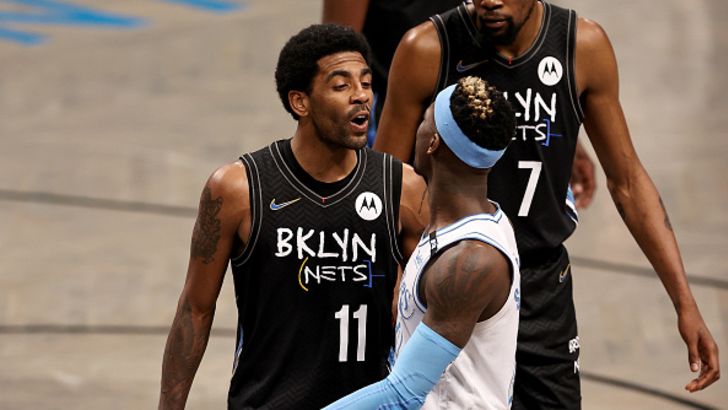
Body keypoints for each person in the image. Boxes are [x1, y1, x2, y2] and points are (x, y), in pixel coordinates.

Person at [373, 0, 720, 408]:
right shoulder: (427, 49)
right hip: (452, 281)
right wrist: (396, 273)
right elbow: (384, 184)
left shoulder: (581, 46)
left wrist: (684, 302)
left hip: (541, 286)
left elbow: (627, 181)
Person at [157, 23, 428, 409]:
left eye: (366, 83)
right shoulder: (238, 189)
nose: (361, 96)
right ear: (300, 102)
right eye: (341, 85)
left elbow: (427, 310)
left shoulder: (402, 188)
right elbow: (195, 309)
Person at [325, 76, 521, 409]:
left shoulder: (469, 261)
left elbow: (403, 393)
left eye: (425, 119)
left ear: (433, 142)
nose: (417, 127)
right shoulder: (472, 223)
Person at [322, 0, 596, 209]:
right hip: (409, 124)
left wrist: (559, 130)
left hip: (490, 118)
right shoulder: (422, 48)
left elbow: (520, 34)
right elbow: (337, 59)